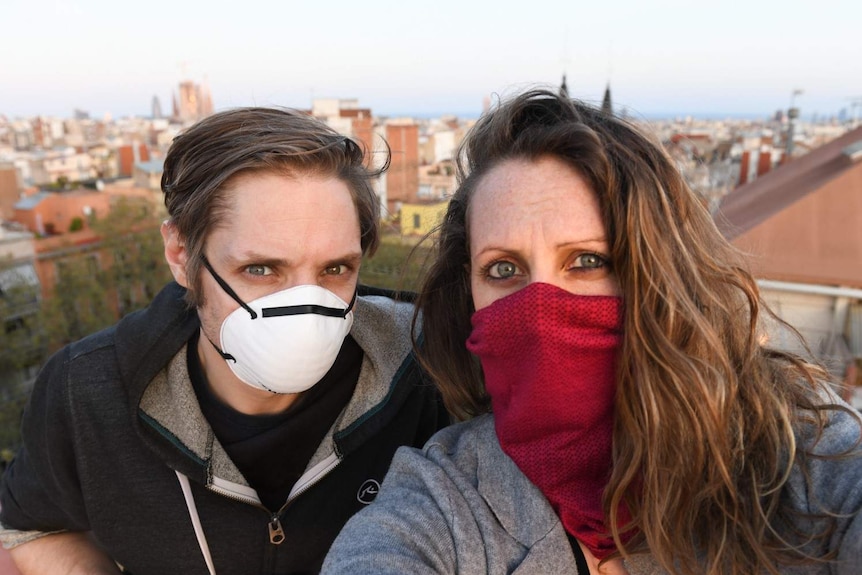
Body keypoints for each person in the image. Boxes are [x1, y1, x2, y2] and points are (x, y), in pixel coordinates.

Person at [322, 89, 862, 575]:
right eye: (503, 270)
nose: (540, 305)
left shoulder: (798, 456)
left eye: (586, 260)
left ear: (656, 275)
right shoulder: (444, 500)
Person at [0, 107, 448, 574]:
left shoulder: (431, 370)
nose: (304, 307)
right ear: (180, 255)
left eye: (334, 269)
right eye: (260, 269)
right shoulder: (87, 391)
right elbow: (36, 525)